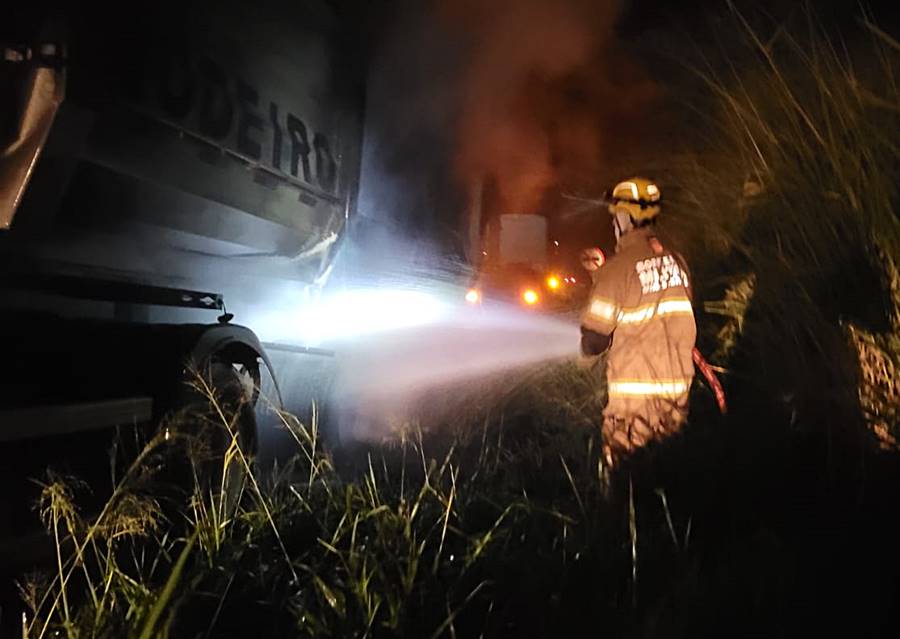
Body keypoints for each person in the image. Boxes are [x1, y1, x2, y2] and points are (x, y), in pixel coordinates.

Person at [579, 177, 696, 471]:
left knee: (625, 488)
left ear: (624, 217)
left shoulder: (616, 270)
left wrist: (579, 358)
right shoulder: (678, 262)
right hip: (676, 405)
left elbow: (594, 341)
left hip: (633, 413)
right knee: (669, 478)